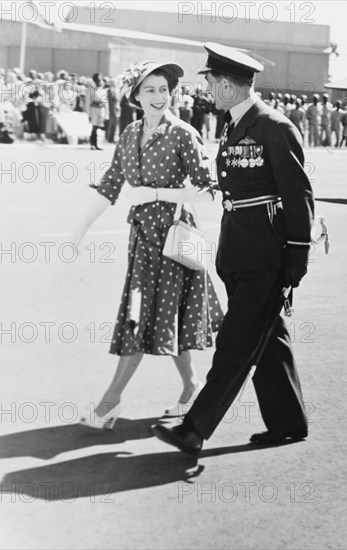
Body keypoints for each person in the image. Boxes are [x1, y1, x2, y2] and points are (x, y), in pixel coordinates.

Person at [152, 42, 314, 457]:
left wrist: (297, 257)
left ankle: (195, 428)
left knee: (236, 342)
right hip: (239, 251)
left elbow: (298, 197)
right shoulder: (236, 124)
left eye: (210, 82)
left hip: (265, 255)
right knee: (267, 337)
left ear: (227, 85)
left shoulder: (274, 127)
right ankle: (289, 423)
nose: (207, 89)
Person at [70, 60, 223, 428]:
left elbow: (207, 191)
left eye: (164, 89)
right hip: (141, 242)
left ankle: (109, 403)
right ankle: (191, 387)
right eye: (150, 89)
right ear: (135, 96)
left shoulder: (184, 133)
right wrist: (78, 231)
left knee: (139, 319)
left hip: (173, 243)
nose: (159, 97)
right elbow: (110, 186)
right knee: (166, 317)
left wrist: (154, 192)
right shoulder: (128, 134)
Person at [86, 72, 108, 150]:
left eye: (100, 80)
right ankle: (92, 144)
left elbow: (106, 103)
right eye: (97, 80)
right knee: (94, 127)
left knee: (99, 127)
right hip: (94, 109)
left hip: (101, 109)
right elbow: (88, 102)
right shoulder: (91, 90)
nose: (99, 82)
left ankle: (97, 144)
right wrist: (88, 114)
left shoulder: (103, 90)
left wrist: (106, 114)